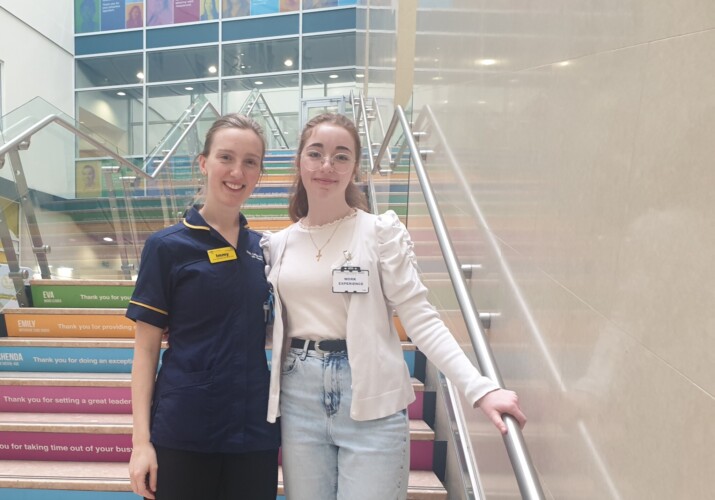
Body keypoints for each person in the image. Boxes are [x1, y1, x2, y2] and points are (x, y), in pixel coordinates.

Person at [261, 113, 527, 499]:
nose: (326, 165)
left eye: (341, 156)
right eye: (315, 153)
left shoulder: (379, 232)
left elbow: (420, 318)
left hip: (373, 396)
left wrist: (479, 388)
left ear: (355, 167)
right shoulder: (277, 245)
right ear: (300, 160)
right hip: (298, 397)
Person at [127, 114, 280, 500]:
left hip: (253, 432)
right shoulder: (167, 247)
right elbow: (145, 351)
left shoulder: (266, 250)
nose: (237, 172)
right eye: (226, 157)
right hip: (184, 429)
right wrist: (141, 443)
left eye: (250, 162)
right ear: (204, 163)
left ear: (259, 173)